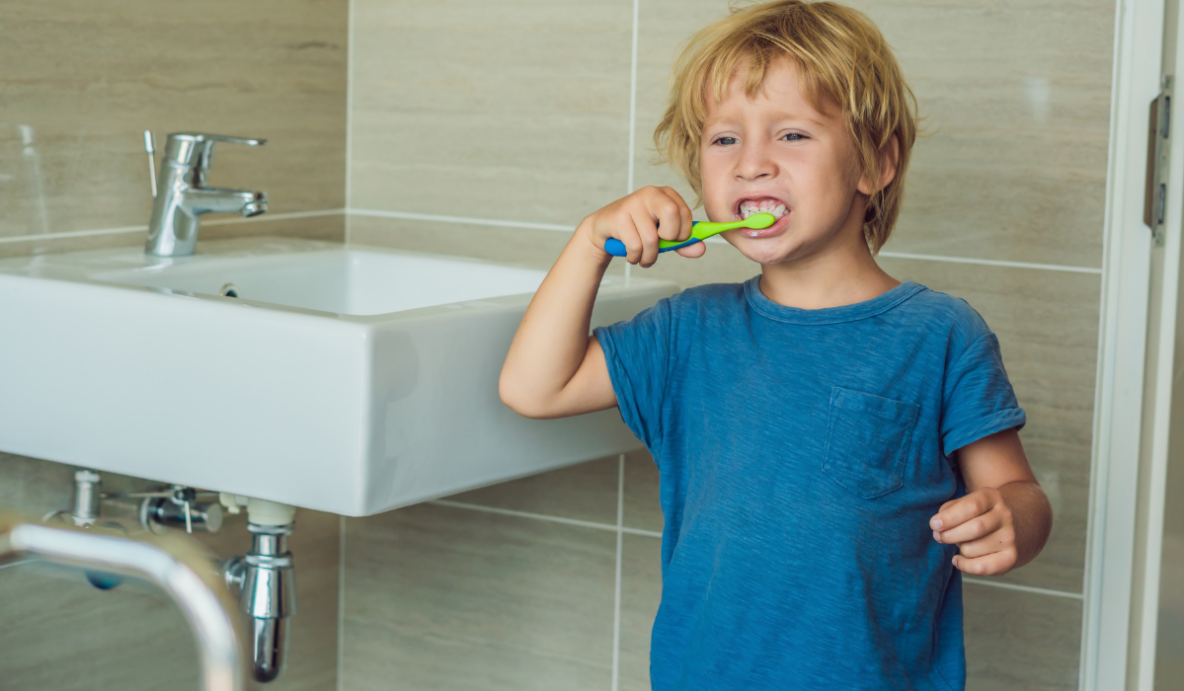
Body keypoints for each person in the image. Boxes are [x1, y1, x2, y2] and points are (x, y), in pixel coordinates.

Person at [499, 1, 1053, 688]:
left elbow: (1015, 488)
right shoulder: (687, 331)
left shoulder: (939, 333)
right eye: (724, 140)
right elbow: (533, 386)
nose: (751, 165)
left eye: (791, 134)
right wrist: (589, 245)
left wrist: (1012, 519)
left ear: (875, 164)